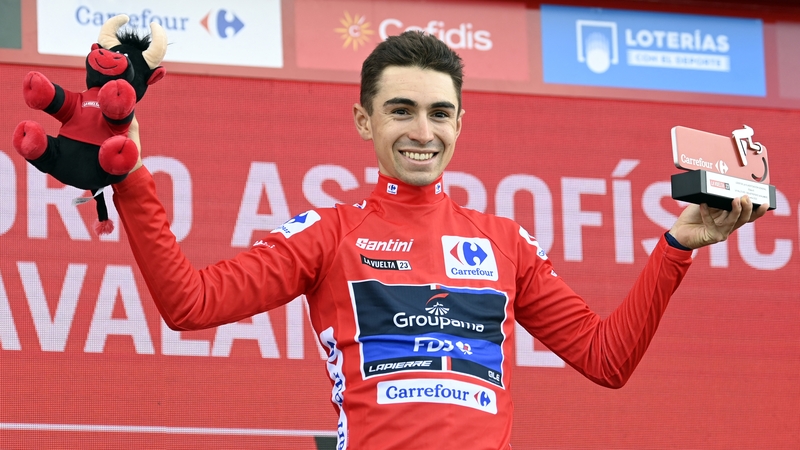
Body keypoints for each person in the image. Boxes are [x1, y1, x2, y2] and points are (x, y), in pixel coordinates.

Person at [113, 31, 768, 449]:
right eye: (401, 110)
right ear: (364, 120)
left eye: (439, 112)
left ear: (460, 123)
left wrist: (676, 247)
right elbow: (189, 303)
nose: (422, 130)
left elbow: (607, 360)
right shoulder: (329, 234)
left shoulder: (504, 241)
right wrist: (132, 177)